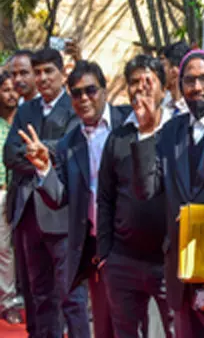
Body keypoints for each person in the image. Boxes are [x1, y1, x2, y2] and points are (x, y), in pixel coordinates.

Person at [131, 49, 204, 337]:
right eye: (189, 80)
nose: (197, 88)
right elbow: (148, 191)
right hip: (181, 270)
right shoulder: (170, 132)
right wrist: (145, 131)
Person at [19, 60, 131, 338]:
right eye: (76, 93)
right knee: (104, 325)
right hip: (96, 247)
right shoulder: (70, 143)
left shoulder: (128, 122)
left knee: (136, 323)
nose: (83, 99)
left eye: (90, 90)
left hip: (133, 244)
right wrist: (44, 168)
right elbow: (61, 198)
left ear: (104, 91)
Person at [5, 48, 88, 337]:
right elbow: (9, 155)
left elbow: (72, 153)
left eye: (48, 71)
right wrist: (44, 155)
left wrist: (44, 153)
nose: (42, 78)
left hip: (63, 215)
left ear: (62, 73)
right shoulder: (26, 109)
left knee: (71, 296)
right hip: (28, 215)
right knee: (39, 295)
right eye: (37, 72)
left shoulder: (76, 106)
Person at [97, 54, 174, 338]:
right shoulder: (118, 138)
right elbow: (104, 196)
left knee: (177, 330)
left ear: (164, 90)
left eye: (148, 81)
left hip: (166, 263)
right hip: (122, 261)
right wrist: (105, 254)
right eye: (133, 82)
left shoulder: (177, 134)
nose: (140, 88)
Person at [0, 72, 22, 324]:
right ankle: (7, 302)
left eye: (14, 89)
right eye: (5, 89)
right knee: (4, 250)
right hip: (2, 191)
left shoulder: (25, 119)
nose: (11, 94)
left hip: (24, 191)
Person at [160, 41, 190, 115]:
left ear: (174, 71)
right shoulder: (162, 108)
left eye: (163, 65)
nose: (158, 71)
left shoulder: (192, 111)